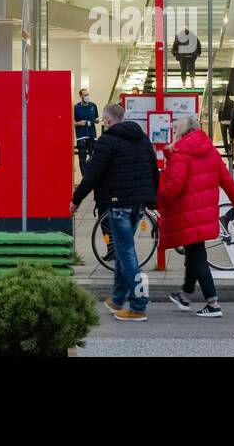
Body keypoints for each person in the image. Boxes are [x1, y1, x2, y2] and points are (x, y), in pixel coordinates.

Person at [71, 103, 159, 322]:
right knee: (122, 249)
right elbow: (153, 167)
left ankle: (138, 306)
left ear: (108, 121)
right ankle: (118, 298)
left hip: (118, 203)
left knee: (127, 252)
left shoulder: (107, 141)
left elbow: (92, 174)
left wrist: (76, 199)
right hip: (138, 203)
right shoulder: (142, 137)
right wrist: (152, 198)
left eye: (103, 120)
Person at [156, 115, 234, 319]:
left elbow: (175, 186)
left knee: (198, 257)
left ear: (184, 131)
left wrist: (158, 200)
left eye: (176, 128)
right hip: (204, 213)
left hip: (188, 213)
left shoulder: (182, 153)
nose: (174, 131)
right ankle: (185, 295)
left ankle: (212, 303)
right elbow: (227, 181)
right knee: (193, 253)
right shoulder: (211, 152)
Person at [74, 88, 99, 176]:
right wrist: (79, 123)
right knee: (82, 159)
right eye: (85, 95)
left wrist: (97, 121)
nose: (87, 97)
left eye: (88, 95)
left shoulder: (93, 106)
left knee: (94, 157)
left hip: (92, 135)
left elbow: (96, 118)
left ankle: (92, 176)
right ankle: (85, 178)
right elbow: (72, 123)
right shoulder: (76, 108)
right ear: (81, 96)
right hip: (81, 136)